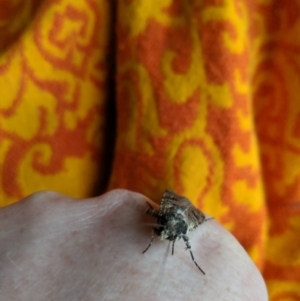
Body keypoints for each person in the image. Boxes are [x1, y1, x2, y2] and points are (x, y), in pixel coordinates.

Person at [0, 189, 268, 300]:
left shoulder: (184, 233)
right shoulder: (158, 223)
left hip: (185, 217)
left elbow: (183, 235)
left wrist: (194, 259)